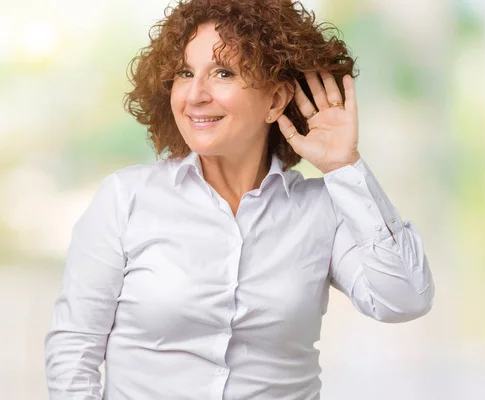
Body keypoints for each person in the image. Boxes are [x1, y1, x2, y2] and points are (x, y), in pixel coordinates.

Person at [44, 0, 434, 399]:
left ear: (276, 99)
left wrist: (344, 167)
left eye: (223, 73)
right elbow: (74, 351)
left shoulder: (324, 209)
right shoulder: (126, 198)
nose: (195, 94)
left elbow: (403, 299)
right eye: (184, 73)